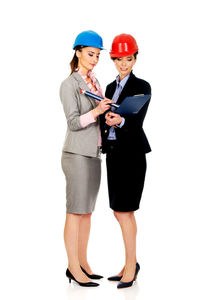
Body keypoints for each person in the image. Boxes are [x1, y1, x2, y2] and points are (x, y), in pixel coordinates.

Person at [60, 30, 113, 287]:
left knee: (87, 213)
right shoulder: (69, 84)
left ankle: (83, 262)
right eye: (91, 54)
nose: (95, 59)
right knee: (75, 212)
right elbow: (73, 122)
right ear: (78, 52)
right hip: (76, 154)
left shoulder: (94, 82)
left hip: (94, 154)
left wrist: (109, 114)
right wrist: (96, 111)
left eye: (98, 55)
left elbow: (96, 116)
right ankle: (72, 267)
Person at [100, 33, 152, 289]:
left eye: (128, 59)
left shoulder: (142, 86)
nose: (123, 64)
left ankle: (131, 266)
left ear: (135, 58)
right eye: (119, 59)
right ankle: (129, 263)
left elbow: (136, 122)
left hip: (132, 156)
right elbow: (104, 119)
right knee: (118, 211)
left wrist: (119, 120)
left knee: (125, 212)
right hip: (114, 156)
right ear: (113, 59)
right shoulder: (109, 88)